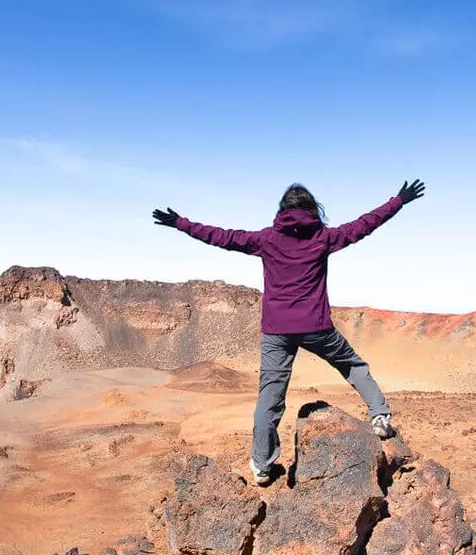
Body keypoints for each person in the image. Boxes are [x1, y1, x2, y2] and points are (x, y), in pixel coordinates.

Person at [152, 180, 426, 486]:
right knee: (353, 366)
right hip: (317, 326)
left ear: (282, 210)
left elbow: (222, 237)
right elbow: (364, 225)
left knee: (269, 397)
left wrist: (180, 223)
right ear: (312, 209)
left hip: (277, 331)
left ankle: (262, 465)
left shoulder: (267, 239)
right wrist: (398, 201)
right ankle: (380, 416)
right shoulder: (323, 237)